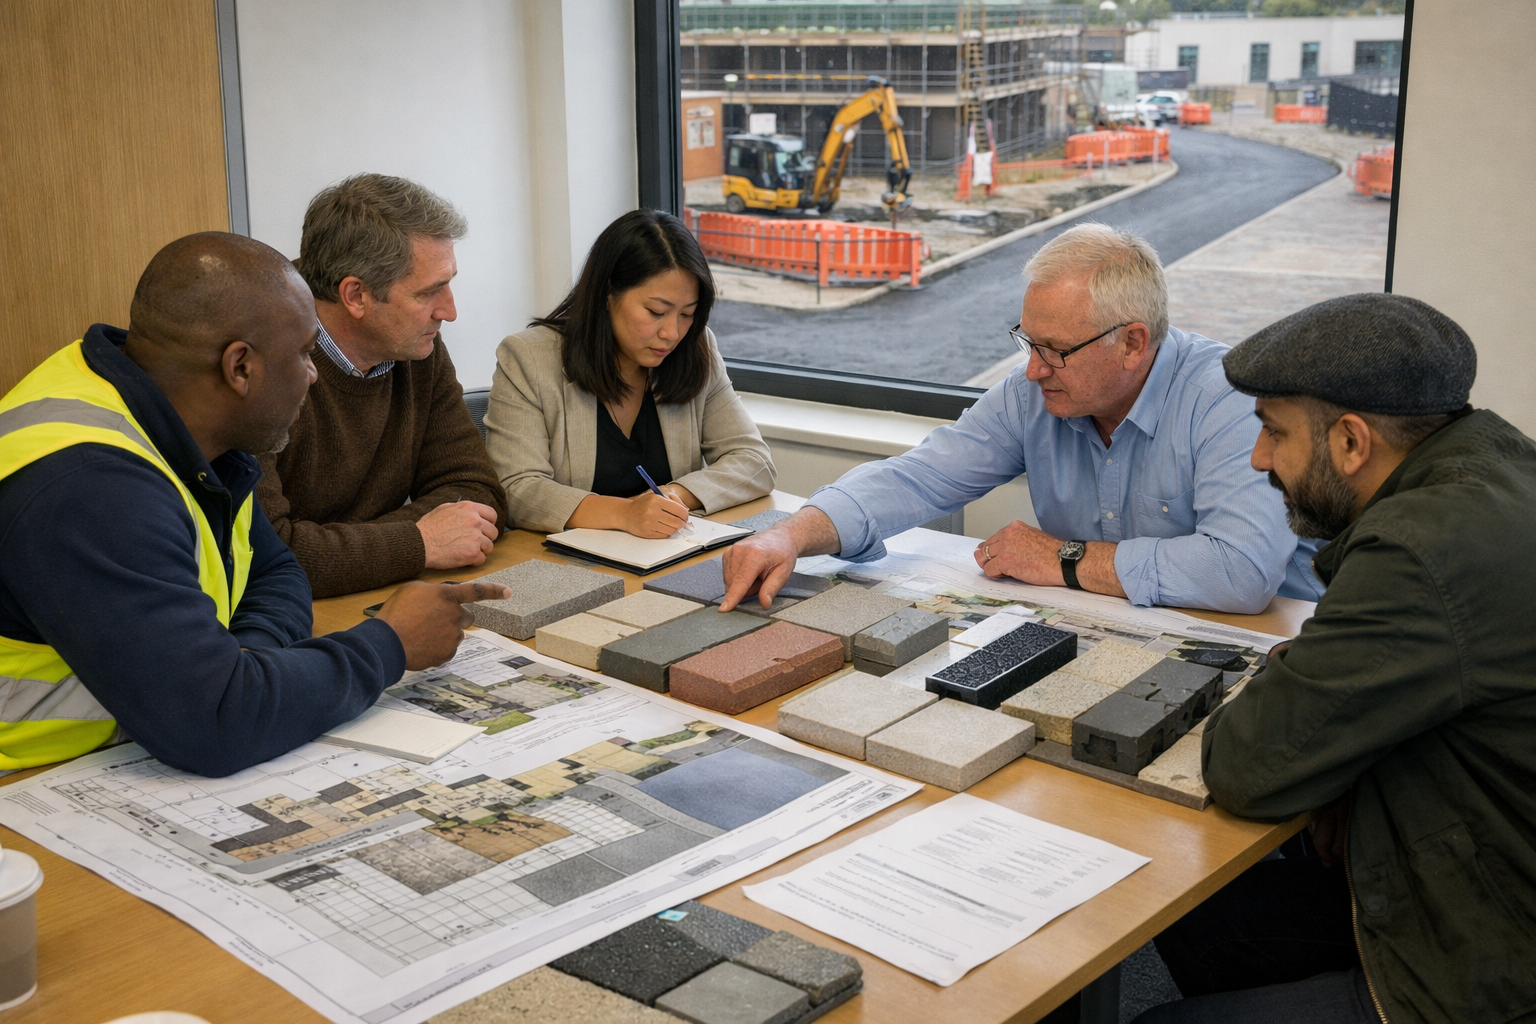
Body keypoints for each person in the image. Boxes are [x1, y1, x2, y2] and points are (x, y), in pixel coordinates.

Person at [1138, 294, 1536, 1023]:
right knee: (1200, 907)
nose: (1259, 459)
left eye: (1272, 433)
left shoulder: (1418, 550)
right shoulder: (1491, 461)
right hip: (1471, 860)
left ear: (1352, 443)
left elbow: (1246, 767)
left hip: (1486, 962)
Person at [0, 233, 507, 777]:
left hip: (129, 751)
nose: (314, 377)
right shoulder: (93, 488)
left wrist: (249, 665)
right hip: (30, 782)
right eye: (305, 354)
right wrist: (389, 645)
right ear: (239, 367)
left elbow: (274, 570)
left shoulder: (176, 414)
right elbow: (215, 725)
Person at [721, 224, 1321, 615]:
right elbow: (922, 476)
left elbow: (1239, 571)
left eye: (1055, 350)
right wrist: (791, 533)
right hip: (1109, 628)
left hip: (1260, 647)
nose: (1034, 370)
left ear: (1134, 343)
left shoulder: (1230, 400)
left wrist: (1063, 558)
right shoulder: (1037, 390)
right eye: (1027, 342)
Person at [257, 173, 509, 599]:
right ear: (355, 296)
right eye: (429, 292)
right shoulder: (261, 361)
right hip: (280, 621)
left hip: (372, 595)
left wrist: (356, 551)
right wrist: (418, 541)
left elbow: (476, 491)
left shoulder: (416, 347)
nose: (448, 311)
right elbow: (268, 553)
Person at [486, 209, 774, 536]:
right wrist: (625, 514)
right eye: (656, 312)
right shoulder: (529, 358)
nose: (672, 332)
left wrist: (670, 498)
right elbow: (516, 488)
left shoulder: (696, 348)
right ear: (608, 293)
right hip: (572, 566)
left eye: (687, 314)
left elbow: (754, 461)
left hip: (666, 555)